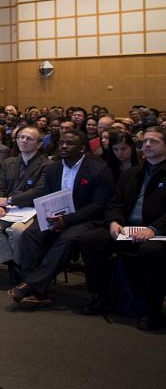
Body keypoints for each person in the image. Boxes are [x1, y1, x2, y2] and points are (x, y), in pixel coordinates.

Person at [8, 130, 113, 308]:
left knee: (68, 239)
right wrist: (51, 217)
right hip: (58, 216)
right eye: (62, 142)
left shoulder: (99, 169)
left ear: (82, 148)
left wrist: (67, 220)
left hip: (87, 220)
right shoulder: (54, 168)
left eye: (70, 143)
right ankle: (37, 291)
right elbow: (49, 196)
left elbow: (98, 206)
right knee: (30, 234)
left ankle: (31, 286)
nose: (64, 146)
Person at [78, 126, 166, 330]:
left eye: (154, 141)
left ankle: (151, 310)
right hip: (128, 229)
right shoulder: (132, 174)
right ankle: (102, 295)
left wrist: (154, 229)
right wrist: (113, 222)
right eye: (145, 141)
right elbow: (115, 203)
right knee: (90, 240)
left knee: (150, 250)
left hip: (158, 233)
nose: (148, 145)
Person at [0, 125, 52, 280]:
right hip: (9, 208)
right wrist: (0, 206)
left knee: (18, 232)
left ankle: (20, 266)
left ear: (38, 144)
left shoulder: (46, 165)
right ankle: (12, 262)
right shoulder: (9, 162)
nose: (23, 141)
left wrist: (9, 200)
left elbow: (39, 191)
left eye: (29, 138)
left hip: (32, 209)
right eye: (21, 137)